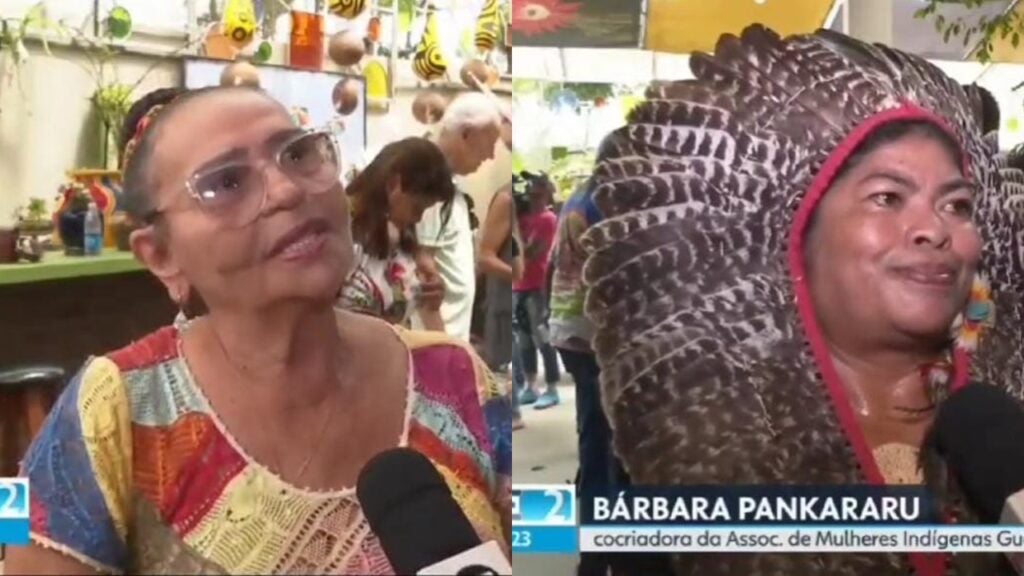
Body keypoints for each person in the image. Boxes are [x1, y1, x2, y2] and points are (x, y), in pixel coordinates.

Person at [6, 86, 511, 575]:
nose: (289, 190)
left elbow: (541, 534)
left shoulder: (458, 377)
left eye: (298, 154)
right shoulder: (113, 413)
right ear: (161, 255)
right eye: (226, 183)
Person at [583, 25, 1024, 575]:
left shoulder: (1001, 422)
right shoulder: (714, 457)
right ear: (795, 238)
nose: (932, 229)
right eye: (887, 197)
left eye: (957, 205)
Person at [412, 93, 504, 342]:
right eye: (490, 143)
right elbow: (422, 274)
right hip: (433, 346)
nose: (491, 156)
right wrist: (444, 349)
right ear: (467, 134)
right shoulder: (429, 184)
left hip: (448, 339)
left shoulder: (448, 187)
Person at [339, 137, 454, 330]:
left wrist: (431, 303)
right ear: (394, 184)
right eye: (417, 208)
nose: (418, 219)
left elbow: (426, 321)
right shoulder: (339, 231)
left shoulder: (402, 241)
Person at [478, 177, 524, 429]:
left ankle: (511, 412)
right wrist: (515, 274)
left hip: (511, 298)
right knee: (499, 363)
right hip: (502, 299)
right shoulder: (506, 198)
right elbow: (484, 257)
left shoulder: (514, 200)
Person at [514, 172, 561, 409]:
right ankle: (531, 385)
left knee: (541, 336)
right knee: (524, 339)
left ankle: (552, 386)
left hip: (537, 286)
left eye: (538, 191)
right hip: (518, 285)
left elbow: (530, 253)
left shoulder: (547, 219)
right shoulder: (521, 219)